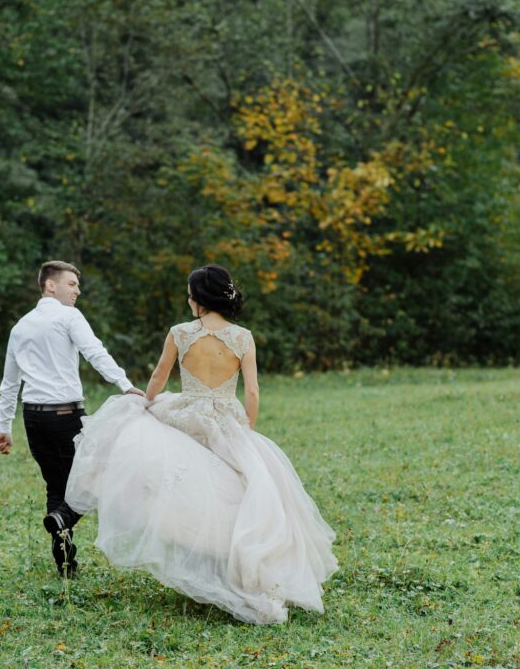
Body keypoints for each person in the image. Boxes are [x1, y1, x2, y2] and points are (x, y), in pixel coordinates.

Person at [65, 264, 337, 624]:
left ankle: (199, 553)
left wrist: (145, 401)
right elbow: (252, 391)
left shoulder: (180, 333)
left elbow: (159, 377)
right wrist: (248, 432)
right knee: (240, 489)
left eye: (190, 293)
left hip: (186, 413)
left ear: (200, 298)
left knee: (186, 482)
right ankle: (241, 565)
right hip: (227, 421)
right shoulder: (243, 337)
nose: (188, 299)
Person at [0, 260, 144, 578]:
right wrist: (126, 385)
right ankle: (62, 519)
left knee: (56, 487)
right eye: (72, 284)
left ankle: (65, 563)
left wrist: (4, 427)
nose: (77, 291)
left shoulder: (20, 326)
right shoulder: (68, 316)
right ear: (51, 285)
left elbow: (10, 384)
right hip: (65, 415)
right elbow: (95, 351)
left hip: (32, 418)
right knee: (94, 476)